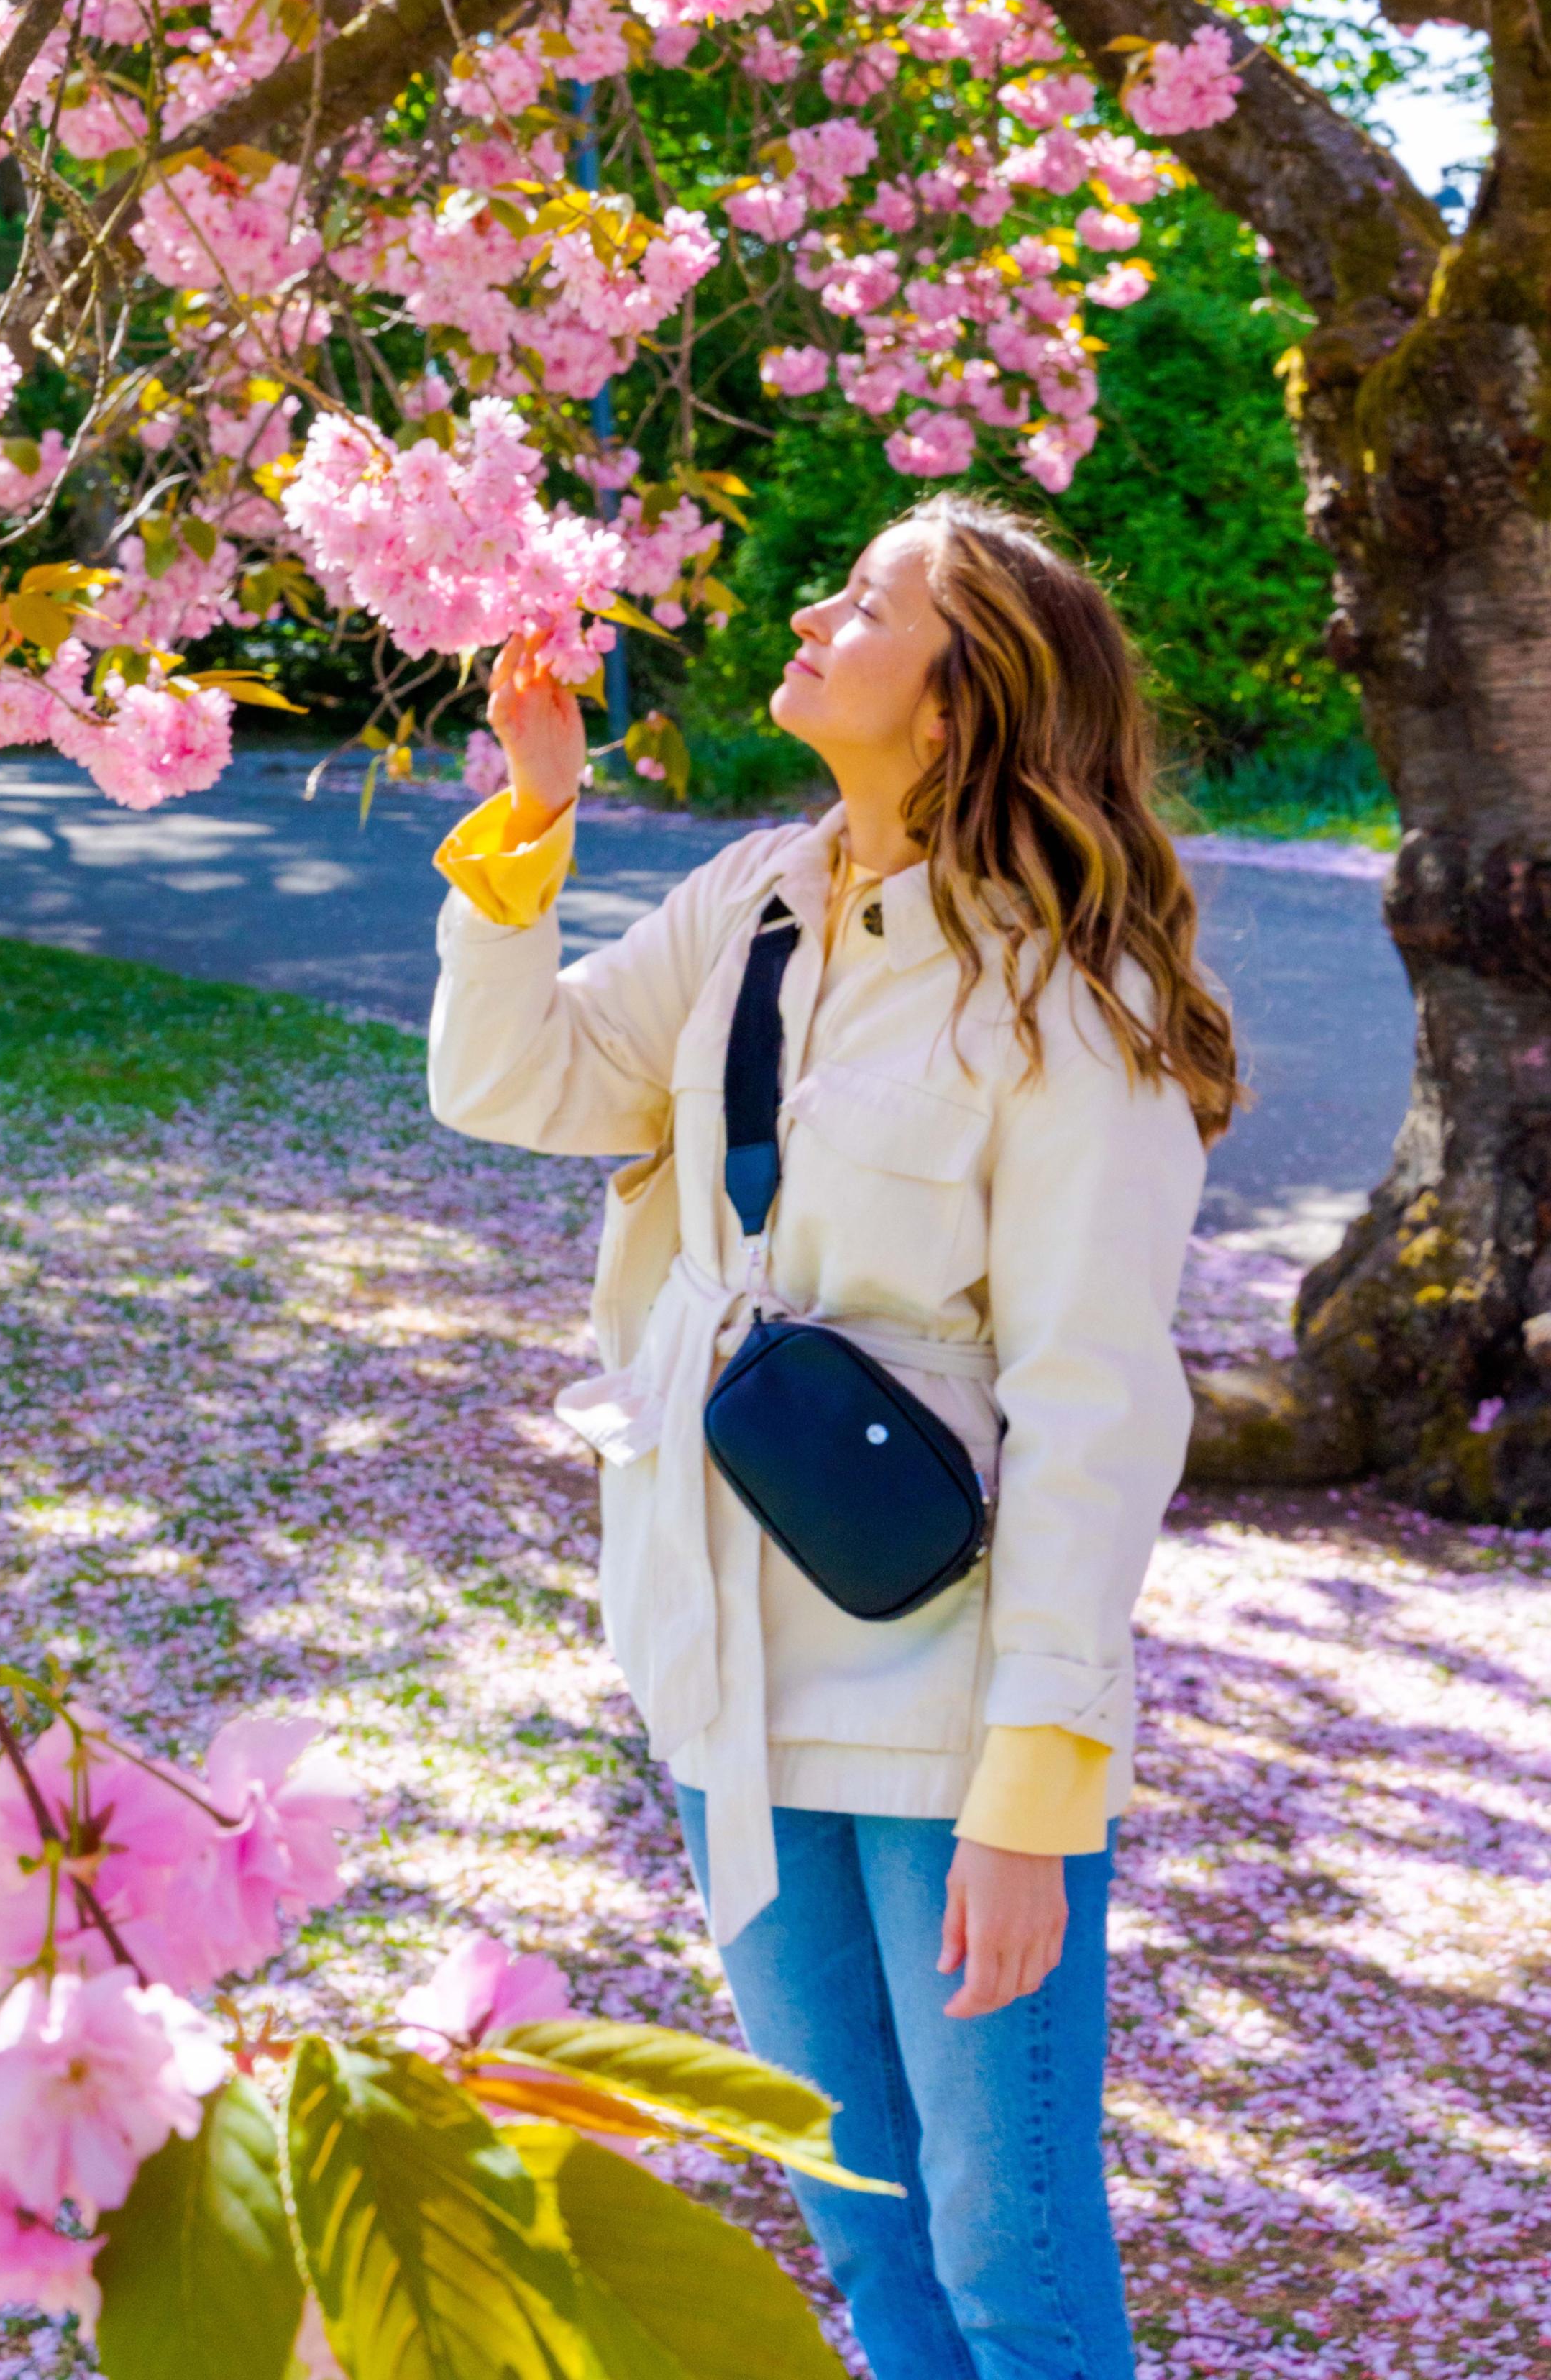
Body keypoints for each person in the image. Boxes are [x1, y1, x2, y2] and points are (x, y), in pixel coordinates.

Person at [427, 496, 1235, 2380]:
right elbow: (510, 1078)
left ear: (953, 708)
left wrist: (1034, 1802)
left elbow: (1096, 1411)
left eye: (862, 599)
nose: (809, 605)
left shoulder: (1072, 1004)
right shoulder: (756, 907)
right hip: (730, 1681)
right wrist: (530, 823)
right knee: (864, 2238)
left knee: (1007, 2259)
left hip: (950, 1710)